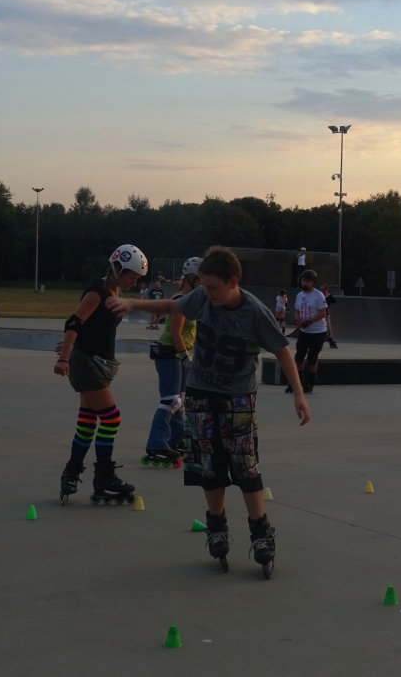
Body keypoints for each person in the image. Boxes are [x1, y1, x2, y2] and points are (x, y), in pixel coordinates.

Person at [107, 246, 308, 574]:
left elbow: (283, 352)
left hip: (239, 398)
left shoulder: (255, 312)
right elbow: (172, 305)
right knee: (208, 465)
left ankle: (261, 531)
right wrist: (132, 304)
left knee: (244, 466)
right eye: (204, 286)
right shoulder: (201, 297)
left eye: (214, 287)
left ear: (233, 282)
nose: (207, 293)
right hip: (200, 393)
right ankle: (216, 526)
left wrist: (298, 394)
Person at [55, 244, 148, 505]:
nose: (134, 282)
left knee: (87, 422)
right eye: (132, 276)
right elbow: (75, 322)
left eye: (137, 279)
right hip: (86, 363)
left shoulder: (115, 292)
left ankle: (71, 472)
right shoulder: (97, 291)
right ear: (117, 269)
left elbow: (91, 326)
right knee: (111, 417)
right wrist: (64, 356)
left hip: (99, 362)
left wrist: (72, 343)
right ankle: (104, 476)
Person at [143, 257, 201, 468]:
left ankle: (176, 439)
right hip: (170, 354)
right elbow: (176, 332)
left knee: (181, 400)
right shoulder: (179, 300)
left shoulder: (192, 301)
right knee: (171, 401)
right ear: (191, 278)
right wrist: (185, 357)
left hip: (182, 354)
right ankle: (156, 443)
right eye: (201, 279)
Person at [293, 270, 327, 394]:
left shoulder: (318, 295)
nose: (305, 283)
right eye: (304, 280)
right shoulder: (299, 295)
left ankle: (311, 380)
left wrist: (309, 322)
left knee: (312, 358)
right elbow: (297, 311)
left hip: (318, 331)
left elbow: (322, 313)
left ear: (313, 282)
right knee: (299, 357)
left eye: (308, 281)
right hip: (304, 331)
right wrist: (297, 319)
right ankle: (298, 381)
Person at [319, 283, 338, 349]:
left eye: (323, 289)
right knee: (319, 327)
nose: (321, 290)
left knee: (329, 328)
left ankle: (330, 341)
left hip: (326, 314)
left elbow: (334, 301)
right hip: (319, 314)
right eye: (321, 289)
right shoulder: (319, 296)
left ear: (326, 290)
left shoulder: (329, 296)